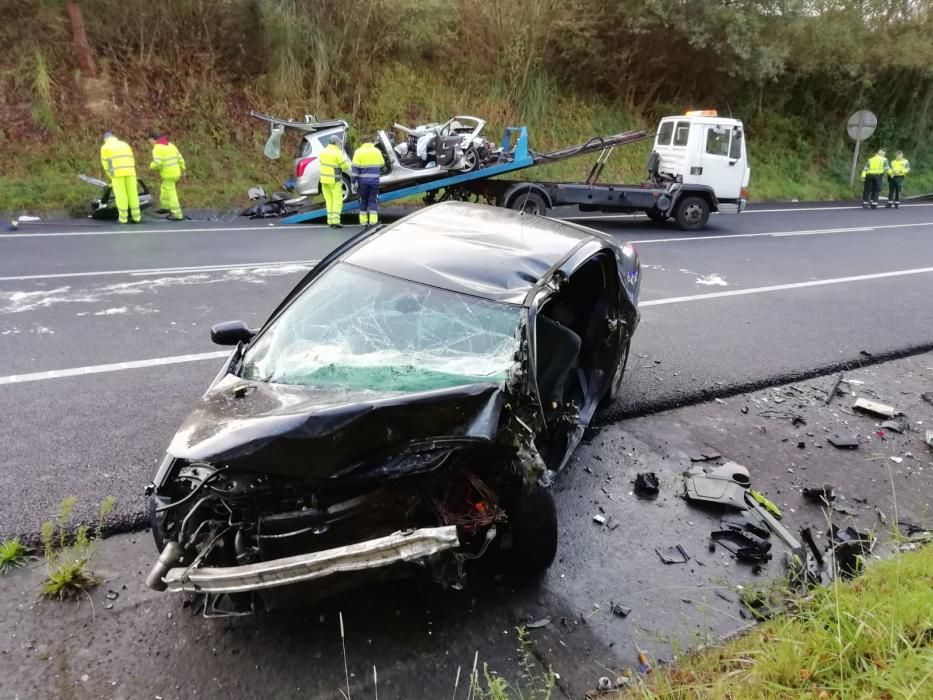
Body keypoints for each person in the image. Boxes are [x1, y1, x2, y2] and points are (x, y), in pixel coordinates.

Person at [100, 132, 140, 224]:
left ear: (105, 139)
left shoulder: (105, 148)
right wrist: (132, 171)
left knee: (121, 196)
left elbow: (106, 164)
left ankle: (123, 218)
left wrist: (111, 176)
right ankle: (136, 217)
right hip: (130, 172)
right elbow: (132, 159)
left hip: (117, 174)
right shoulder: (125, 145)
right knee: (133, 194)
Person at [148, 130, 186, 220]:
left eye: (149, 141)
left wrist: (151, 166)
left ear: (153, 139)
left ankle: (178, 214)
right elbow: (180, 157)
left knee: (171, 192)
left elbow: (157, 163)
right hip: (176, 172)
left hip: (169, 174)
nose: (150, 143)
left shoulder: (157, 148)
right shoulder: (170, 145)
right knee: (165, 188)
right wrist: (183, 169)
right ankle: (165, 207)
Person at [351, 140, 385, 227]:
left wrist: (353, 182)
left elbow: (354, 170)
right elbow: (382, 163)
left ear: (362, 144)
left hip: (362, 182)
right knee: (373, 201)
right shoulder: (377, 151)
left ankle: (363, 222)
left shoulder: (358, 152)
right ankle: (373, 223)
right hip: (374, 182)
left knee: (363, 201)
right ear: (371, 143)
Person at [319, 135, 351, 228]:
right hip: (334, 180)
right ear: (336, 143)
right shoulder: (337, 152)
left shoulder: (323, 151)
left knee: (329, 200)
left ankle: (330, 221)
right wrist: (348, 163)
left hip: (324, 181)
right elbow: (345, 166)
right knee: (337, 200)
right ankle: (336, 221)